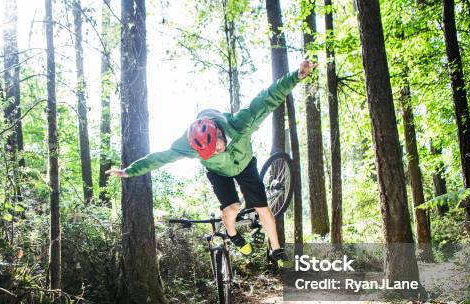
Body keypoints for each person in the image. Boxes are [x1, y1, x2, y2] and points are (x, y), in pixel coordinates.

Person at [106, 60, 316, 266]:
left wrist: (296, 76)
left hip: (244, 164)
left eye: (216, 146)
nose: (215, 151)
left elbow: (268, 98)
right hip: (218, 173)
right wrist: (130, 171)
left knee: (264, 209)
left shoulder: (241, 122)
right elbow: (161, 157)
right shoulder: (188, 145)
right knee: (232, 209)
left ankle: (276, 249)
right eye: (207, 152)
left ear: (219, 132)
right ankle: (233, 235)